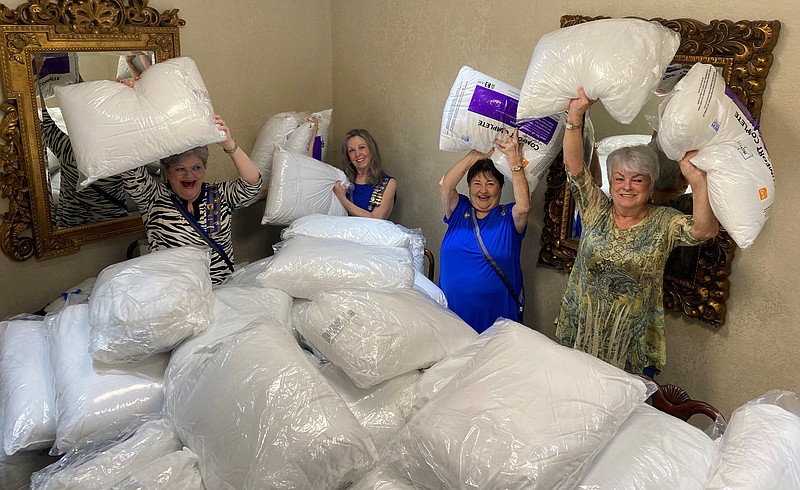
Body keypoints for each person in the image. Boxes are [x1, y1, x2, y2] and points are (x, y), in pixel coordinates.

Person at [555, 87, 718, 376]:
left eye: (637, 180)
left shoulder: (664, 221)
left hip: (629, 340)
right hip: (582, 327)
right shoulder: (597, 209)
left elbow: (703, 231)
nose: (626, 186)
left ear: (650, 185)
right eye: (619, 178)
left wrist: (698, 180)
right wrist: (575, 115)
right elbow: (575, 169)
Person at [122, 115, 261, 284]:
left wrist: (229, 144)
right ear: (168, 171)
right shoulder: (152, 196)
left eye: (196, 168)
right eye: (180, 169)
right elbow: (128, 161)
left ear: (204, 169)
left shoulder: (219, 194)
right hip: (173, 292)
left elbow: (253, 183)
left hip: (220, 291)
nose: (189, 175)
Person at [438, 128, 531, 333]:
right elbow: (445, 184)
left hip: (496, 320)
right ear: (469, 186)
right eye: (477, 183)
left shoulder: (508, 217)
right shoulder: (459, 210)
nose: (483, 190)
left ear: (500, 188)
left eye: (490, 184)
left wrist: (514, 161)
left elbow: (524, 207)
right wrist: (475, 156)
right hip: (452, 318)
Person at [332, 129, 397, 219]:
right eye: (351, 150)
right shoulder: (342, 181)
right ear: (348, 156)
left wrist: (342, 198)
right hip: (342, 232)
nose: (357, 154)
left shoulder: (388, 183)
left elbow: (375, 219)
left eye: (362, 147)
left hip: (372, 232)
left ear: (371, 149)